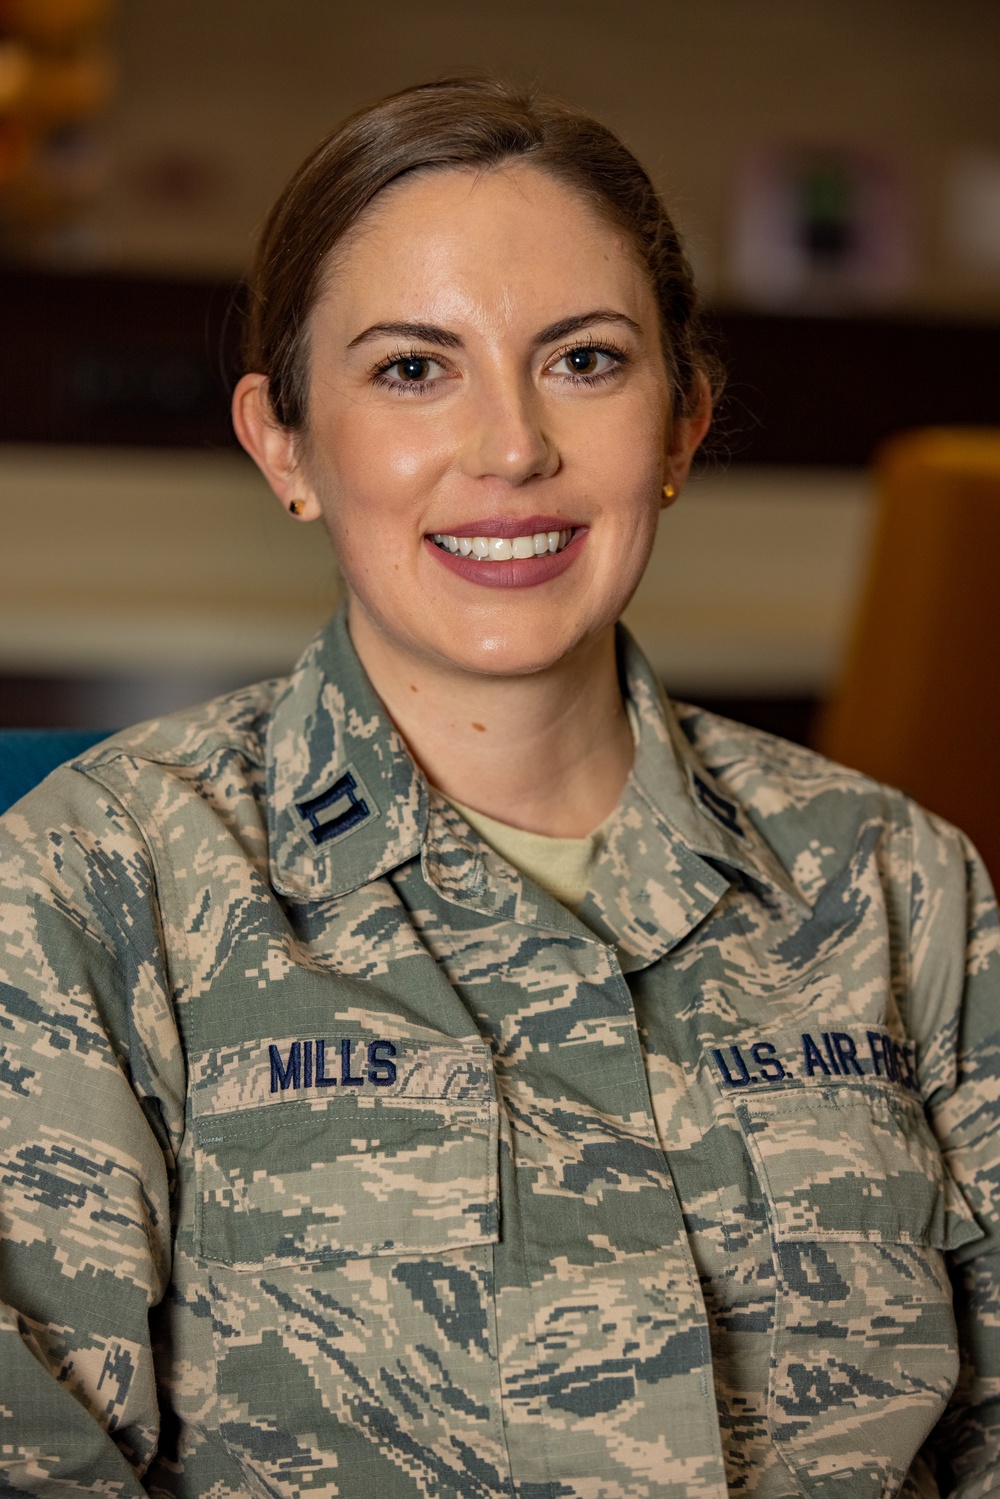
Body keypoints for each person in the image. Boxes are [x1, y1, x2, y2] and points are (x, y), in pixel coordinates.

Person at [0, 76, 997, 1499]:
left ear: (684, 424)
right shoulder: (94, 890)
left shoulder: (902, 887)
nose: (514, 447)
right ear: (283, 443)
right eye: (413, 368)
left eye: (585, 361)